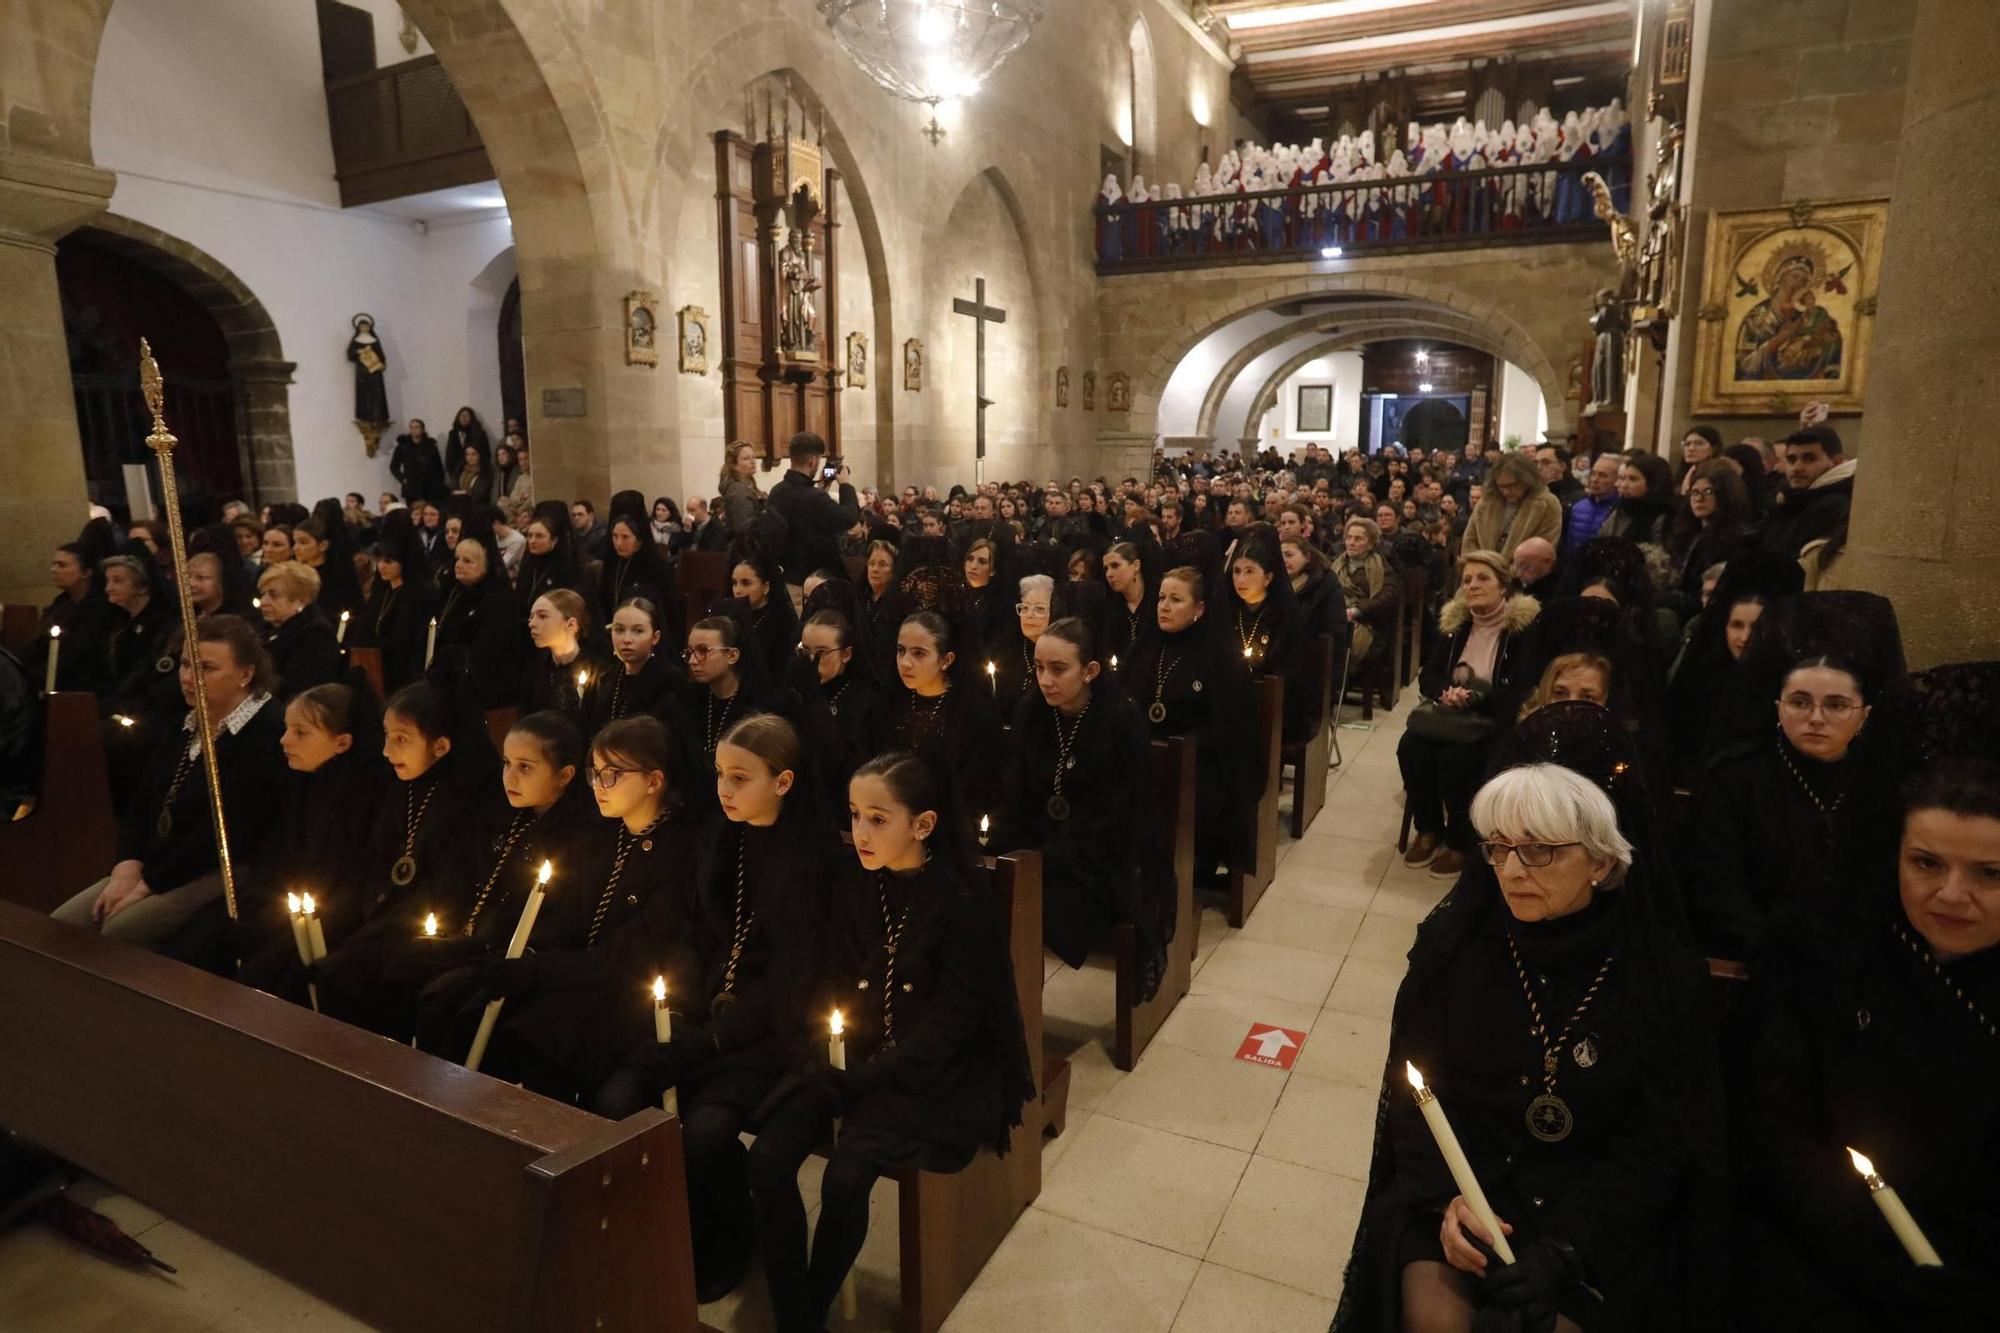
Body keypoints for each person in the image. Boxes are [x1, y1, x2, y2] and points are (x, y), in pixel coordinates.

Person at [1336, 745, 1720, 1333]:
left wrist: (1564, 1252)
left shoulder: (1662, 977)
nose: (1512, 871)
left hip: (1594, 1218)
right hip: (1465, 1194)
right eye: (1499, 847)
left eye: (1539, 850)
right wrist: (1449, 1202)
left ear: (1599, 861)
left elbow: (1660, 1142)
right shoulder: (1458, 947)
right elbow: (1414, 1095)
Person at [1735, 663, 2000, 1332]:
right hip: (1828, 1256)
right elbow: (1776, 1127)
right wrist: (1865, 1261)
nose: (1951, 895)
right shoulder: (1824, 945)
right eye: (1927, 862)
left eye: (1990, 873)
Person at [744, 750, 1033, 1332]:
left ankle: (803, 1315)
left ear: (923, 824)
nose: (860, 833)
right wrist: (816, 1057)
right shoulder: (851, 880)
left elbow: (953, 1022)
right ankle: (796, 1310)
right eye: (854, 815)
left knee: (846, 1175)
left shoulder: (964, 901)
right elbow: (819, 973)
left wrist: (865, 1077)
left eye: (879, 818)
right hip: (845, 1051)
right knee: (768, 1159)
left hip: (925, 1073)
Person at [594, 715, 839, 1304]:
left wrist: (710, 1040)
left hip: (776, 1031)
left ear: (783, 782)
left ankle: (730, 1238)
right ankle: (672, 1228)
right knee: (617, 1099)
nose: (724, 790)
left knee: (705, 1131)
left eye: (740, 777)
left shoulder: (815, 857)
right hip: (707, 1013)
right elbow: (694, 936)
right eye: (719, 775)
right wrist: (677, 1006)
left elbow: (791, 979)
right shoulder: (721, 837)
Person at [427, 716, 704, 1103]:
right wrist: (529, 955)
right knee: (467, 1009)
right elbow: (567, 917)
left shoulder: (679, 853)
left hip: (628, 993)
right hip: (577, 978)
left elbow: (632, 956)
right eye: (596, 773)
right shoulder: (601, 834)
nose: (598, 786)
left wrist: (538, 970)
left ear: (654, 782)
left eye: (613, 775)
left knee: (541, 1038)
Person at [50, 616, 285, 950]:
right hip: (159, 863)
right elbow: (144, 801)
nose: (189, 678)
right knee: (62, 925)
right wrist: (127, 865)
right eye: (186, 664)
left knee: (121, 929)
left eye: (207, 668)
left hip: (219, 867)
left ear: (245, 675)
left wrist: (148, 883)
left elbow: (228, 833)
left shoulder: (266, 732)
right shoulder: (187, 721)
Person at [315, 663, 509, 1040]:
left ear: (441, 745)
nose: (387, 751)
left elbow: (455, 885)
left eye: (401, 739)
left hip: (434, 929)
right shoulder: (401, 787)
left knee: (347, 974)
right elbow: (376, 860)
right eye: (386, 736)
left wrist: (384, 925)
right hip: (389, 915)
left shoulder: (471, 801)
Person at [999, 616, 1175, 991]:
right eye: (1040, 667)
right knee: (984, 896)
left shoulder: (1121, 720)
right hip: (1040, 846)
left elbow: (1120, 813)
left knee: (1039, 910)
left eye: (1059, 669)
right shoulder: (1033, 712)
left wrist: (1052, 857)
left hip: (1099, 863)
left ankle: (1023, 1003)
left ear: (1090, 670)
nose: (1045, 679)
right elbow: (1017, 791)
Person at [1685, 652, 1875, 964]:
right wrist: (1773, 952)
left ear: (1864, 715)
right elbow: (1715, 882)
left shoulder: (1882, 781)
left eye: (1836, 705)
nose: (1815, 717)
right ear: (1778, 708)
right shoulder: (1735, 777)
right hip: (1758, 957)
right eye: (1799, 702)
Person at [1399, 551, 1542, 878]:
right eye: (1467, 580)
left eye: (1483, 578)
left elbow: (1521, 689)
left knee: (1456, 760)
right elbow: (1430, 675)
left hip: (1493, 720)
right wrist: (1445, 693)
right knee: (1411, 748)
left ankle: (1459, 841)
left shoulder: (1520, 631)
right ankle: (1429, 828)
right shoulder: (1455, 626)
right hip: (1451, 718)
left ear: (1503, 586)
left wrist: (1478, 697)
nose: (1473, 585)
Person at [1118, 564, 1260, 884]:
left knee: (1197, 802)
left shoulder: (1222, 657)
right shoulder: (1145, 648)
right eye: (1161, 598)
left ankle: (1186, 866)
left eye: (1176, 600)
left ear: (1199, 609)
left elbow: (1230, 727)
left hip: (1199, 764)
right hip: (1141, 755)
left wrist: (1178, 750)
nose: (1165, 607)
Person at [883, 609, 1006, 823]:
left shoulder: (974, 714)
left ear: (946, 660)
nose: (905, 662)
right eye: (900, 651)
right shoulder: (890, 705)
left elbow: (976, 788)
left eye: (919, 653)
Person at [797, 607, 884, 795]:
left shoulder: (866, 699)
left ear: (846, 654)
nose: (812, 660)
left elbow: (851, 767)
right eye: (805, 651)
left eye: (822, 653)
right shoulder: (796, 689)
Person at [433, 531, 522, 707]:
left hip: (479, 686)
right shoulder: (454, 592)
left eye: (467, 561)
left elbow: (487, 651)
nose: (458, 565)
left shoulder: (498, 600)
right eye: (457, 559)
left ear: (486, 566)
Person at [766, 431, 860, 593]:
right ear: (812, 461)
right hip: (810, 582)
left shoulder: (777, 491)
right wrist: (845, 485)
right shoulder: (814, 498)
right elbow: (849, 518)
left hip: (785, 577)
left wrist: (820, 490)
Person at [354, 512, 434, 693]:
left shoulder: (417, 594)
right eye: (379, 560)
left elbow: (408, 642)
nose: (381, 566)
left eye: (388, 561)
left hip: (403, 677)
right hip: (375, 669)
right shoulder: (382, 590)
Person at [1665, 459, 1754, 610]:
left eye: (1708, 492)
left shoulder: (1739, 538)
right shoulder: (1688, 533)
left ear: (1725, 495)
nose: (1699, 499)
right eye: (1694, 492)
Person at [587, 596, 683, 731]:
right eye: (619, 630)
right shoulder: (607, 678)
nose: (627, 639)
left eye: (638, 631)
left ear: (655, 638)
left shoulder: (670, 681)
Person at [1760, 426, 1855, 561]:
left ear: (1837, 463)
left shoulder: (1833, 505)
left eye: (1809, 459)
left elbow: (1781, 558)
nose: (1796, 468)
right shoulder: (1792, 497)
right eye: (1791, 460)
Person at [518, 589, 613, 723]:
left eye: (542, 616)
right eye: (531, 616)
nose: (531, 623)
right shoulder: (535, 671)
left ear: (571, 625)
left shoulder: (598, 672)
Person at [257, 560, 343, 700]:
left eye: (273, 595)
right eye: (263, 594)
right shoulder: (267, 628)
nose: (263, 602)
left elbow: (297, 688)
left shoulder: (316, 636)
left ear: (301, 600)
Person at [1460, 452, 1562, 562]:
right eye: (1501, 486)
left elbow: (1544, 549)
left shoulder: (1547, 505)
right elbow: (1470, 540)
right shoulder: (1487, 502)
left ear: (1526, 480)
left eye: (1510, 486)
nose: (1505, 491)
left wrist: (1508, 573)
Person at [1336, 519, 1402, 666]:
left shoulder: (1382, 567)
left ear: (1371, 543)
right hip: (1336, 618)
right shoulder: (1335, 564)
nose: (1351, 542)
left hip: (1368, 624)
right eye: (1349, 537)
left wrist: (1357, 611)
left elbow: (1389, 597)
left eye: (1358, 539)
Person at [729, 546, 799, 672]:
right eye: (734, 583)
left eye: (746, 583)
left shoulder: (781, 623)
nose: (738, 590)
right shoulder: (730, 618)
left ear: (766, 587)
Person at [289, 515, 364, 622]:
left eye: (303, 542)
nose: (295, 548)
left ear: (323, 545)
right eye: (294, 542)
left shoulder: (338, 576)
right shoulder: (294, 572)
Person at [1598, 452, 1675, 547]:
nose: (1624, 485)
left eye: (1632, 479)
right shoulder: (1620, 509)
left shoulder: (1664, 518)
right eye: (1623, 478)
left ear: (1652, 483)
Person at [1564, 453, 1620, 554]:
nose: (1595, 480)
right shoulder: (1578, 506)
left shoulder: (1619, 511)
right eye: (1593, 474)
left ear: (1617, 479)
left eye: (1603, 476)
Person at [390, 419, 445, 508]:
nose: (413, 430)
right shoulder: (403, 446)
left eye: (416, 427)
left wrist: (438, 483)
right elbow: (394, 466)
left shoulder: (430, 446)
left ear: (422, 429)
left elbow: (438, 467)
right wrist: (403, 478)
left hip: (429, 487)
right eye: (411, 427)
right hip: (412, 487)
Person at [717, 440, 764, 542]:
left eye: (753, 457)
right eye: (746, 458)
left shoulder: (748, 486)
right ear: (734, 465)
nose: (752, 461)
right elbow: (744, 529)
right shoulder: (738, 491)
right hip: (746, 551)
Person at [446, 406, 490, 476]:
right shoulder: (453, 434)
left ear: (471, 418)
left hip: (475, 471)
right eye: (462, 415)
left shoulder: (479, 433)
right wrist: (450, 470)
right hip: (456, 472)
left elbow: (486, 453)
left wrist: (480, 468)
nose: (464, 418)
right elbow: (449, 453)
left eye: (467, 416)